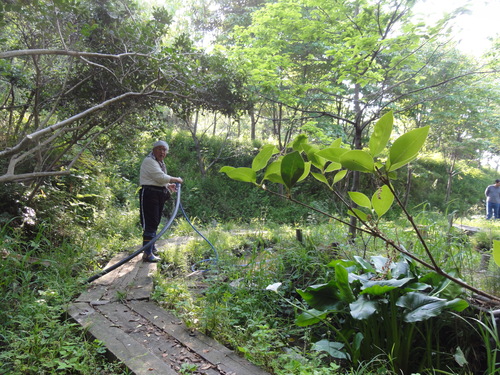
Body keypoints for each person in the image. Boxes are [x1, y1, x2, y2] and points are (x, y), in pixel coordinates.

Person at [139, 140, 183, 262]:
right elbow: (159, 177)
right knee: (150, 223)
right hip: (149, 194)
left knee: (155, 222)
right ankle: (147, 253)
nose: (162, 152)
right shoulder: (149, 161)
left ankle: (150, 247)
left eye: (164, 150)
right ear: (153, 150)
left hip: (158, 193)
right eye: (159, 149)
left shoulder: (159, 163)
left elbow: (160, 180)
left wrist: (168, 185)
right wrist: (176, 179)